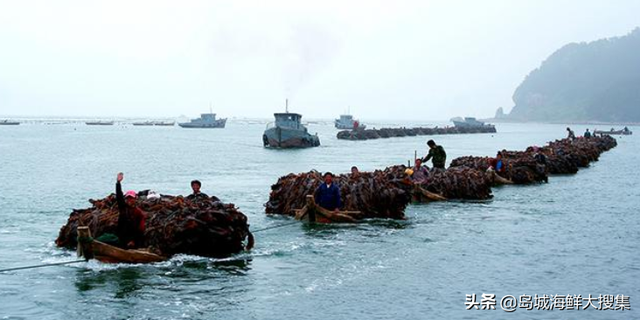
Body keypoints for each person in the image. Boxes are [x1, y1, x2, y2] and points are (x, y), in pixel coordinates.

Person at [115, 172, 146, 249]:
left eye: (131, 198)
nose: (129, 200)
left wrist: (133, 241)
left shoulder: (138, 213)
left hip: (133, 241)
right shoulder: (123, 207)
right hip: (122, 239)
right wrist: (118, 183)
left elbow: (140, 230)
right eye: (128, 198)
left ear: (135, 199)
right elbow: (119, 196)